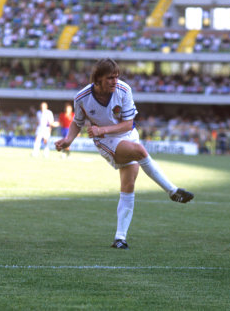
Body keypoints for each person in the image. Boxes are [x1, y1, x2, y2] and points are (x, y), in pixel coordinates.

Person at [55, 58, 194, 250]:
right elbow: (78, 122)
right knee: (140, 151)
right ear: (98, 79)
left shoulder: (124, 90)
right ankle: (172, 191)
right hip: (106, 141)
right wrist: (68, 140)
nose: (114, 81)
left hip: (127, 135)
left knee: (128, 184)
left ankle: (120, 238)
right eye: (110, 78)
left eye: (116, 77)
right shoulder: (82, 98)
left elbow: (129, 124)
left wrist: (101, 129)